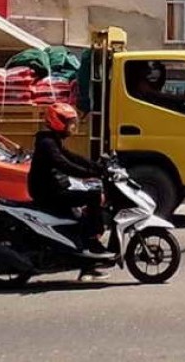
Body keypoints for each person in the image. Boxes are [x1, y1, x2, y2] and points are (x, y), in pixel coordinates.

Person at [28, 102, 113, 281]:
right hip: (48, 193)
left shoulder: (53, 140)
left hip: (56, 188)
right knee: (93, 196)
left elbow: (72, 157)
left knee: (81, 216)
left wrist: (96, 167)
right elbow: (63, 164)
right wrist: (89, 173)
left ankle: (87, 262)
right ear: (57, 121)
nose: (73, 127)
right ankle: (91, 240)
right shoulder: (46, 143)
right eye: (69, 122)